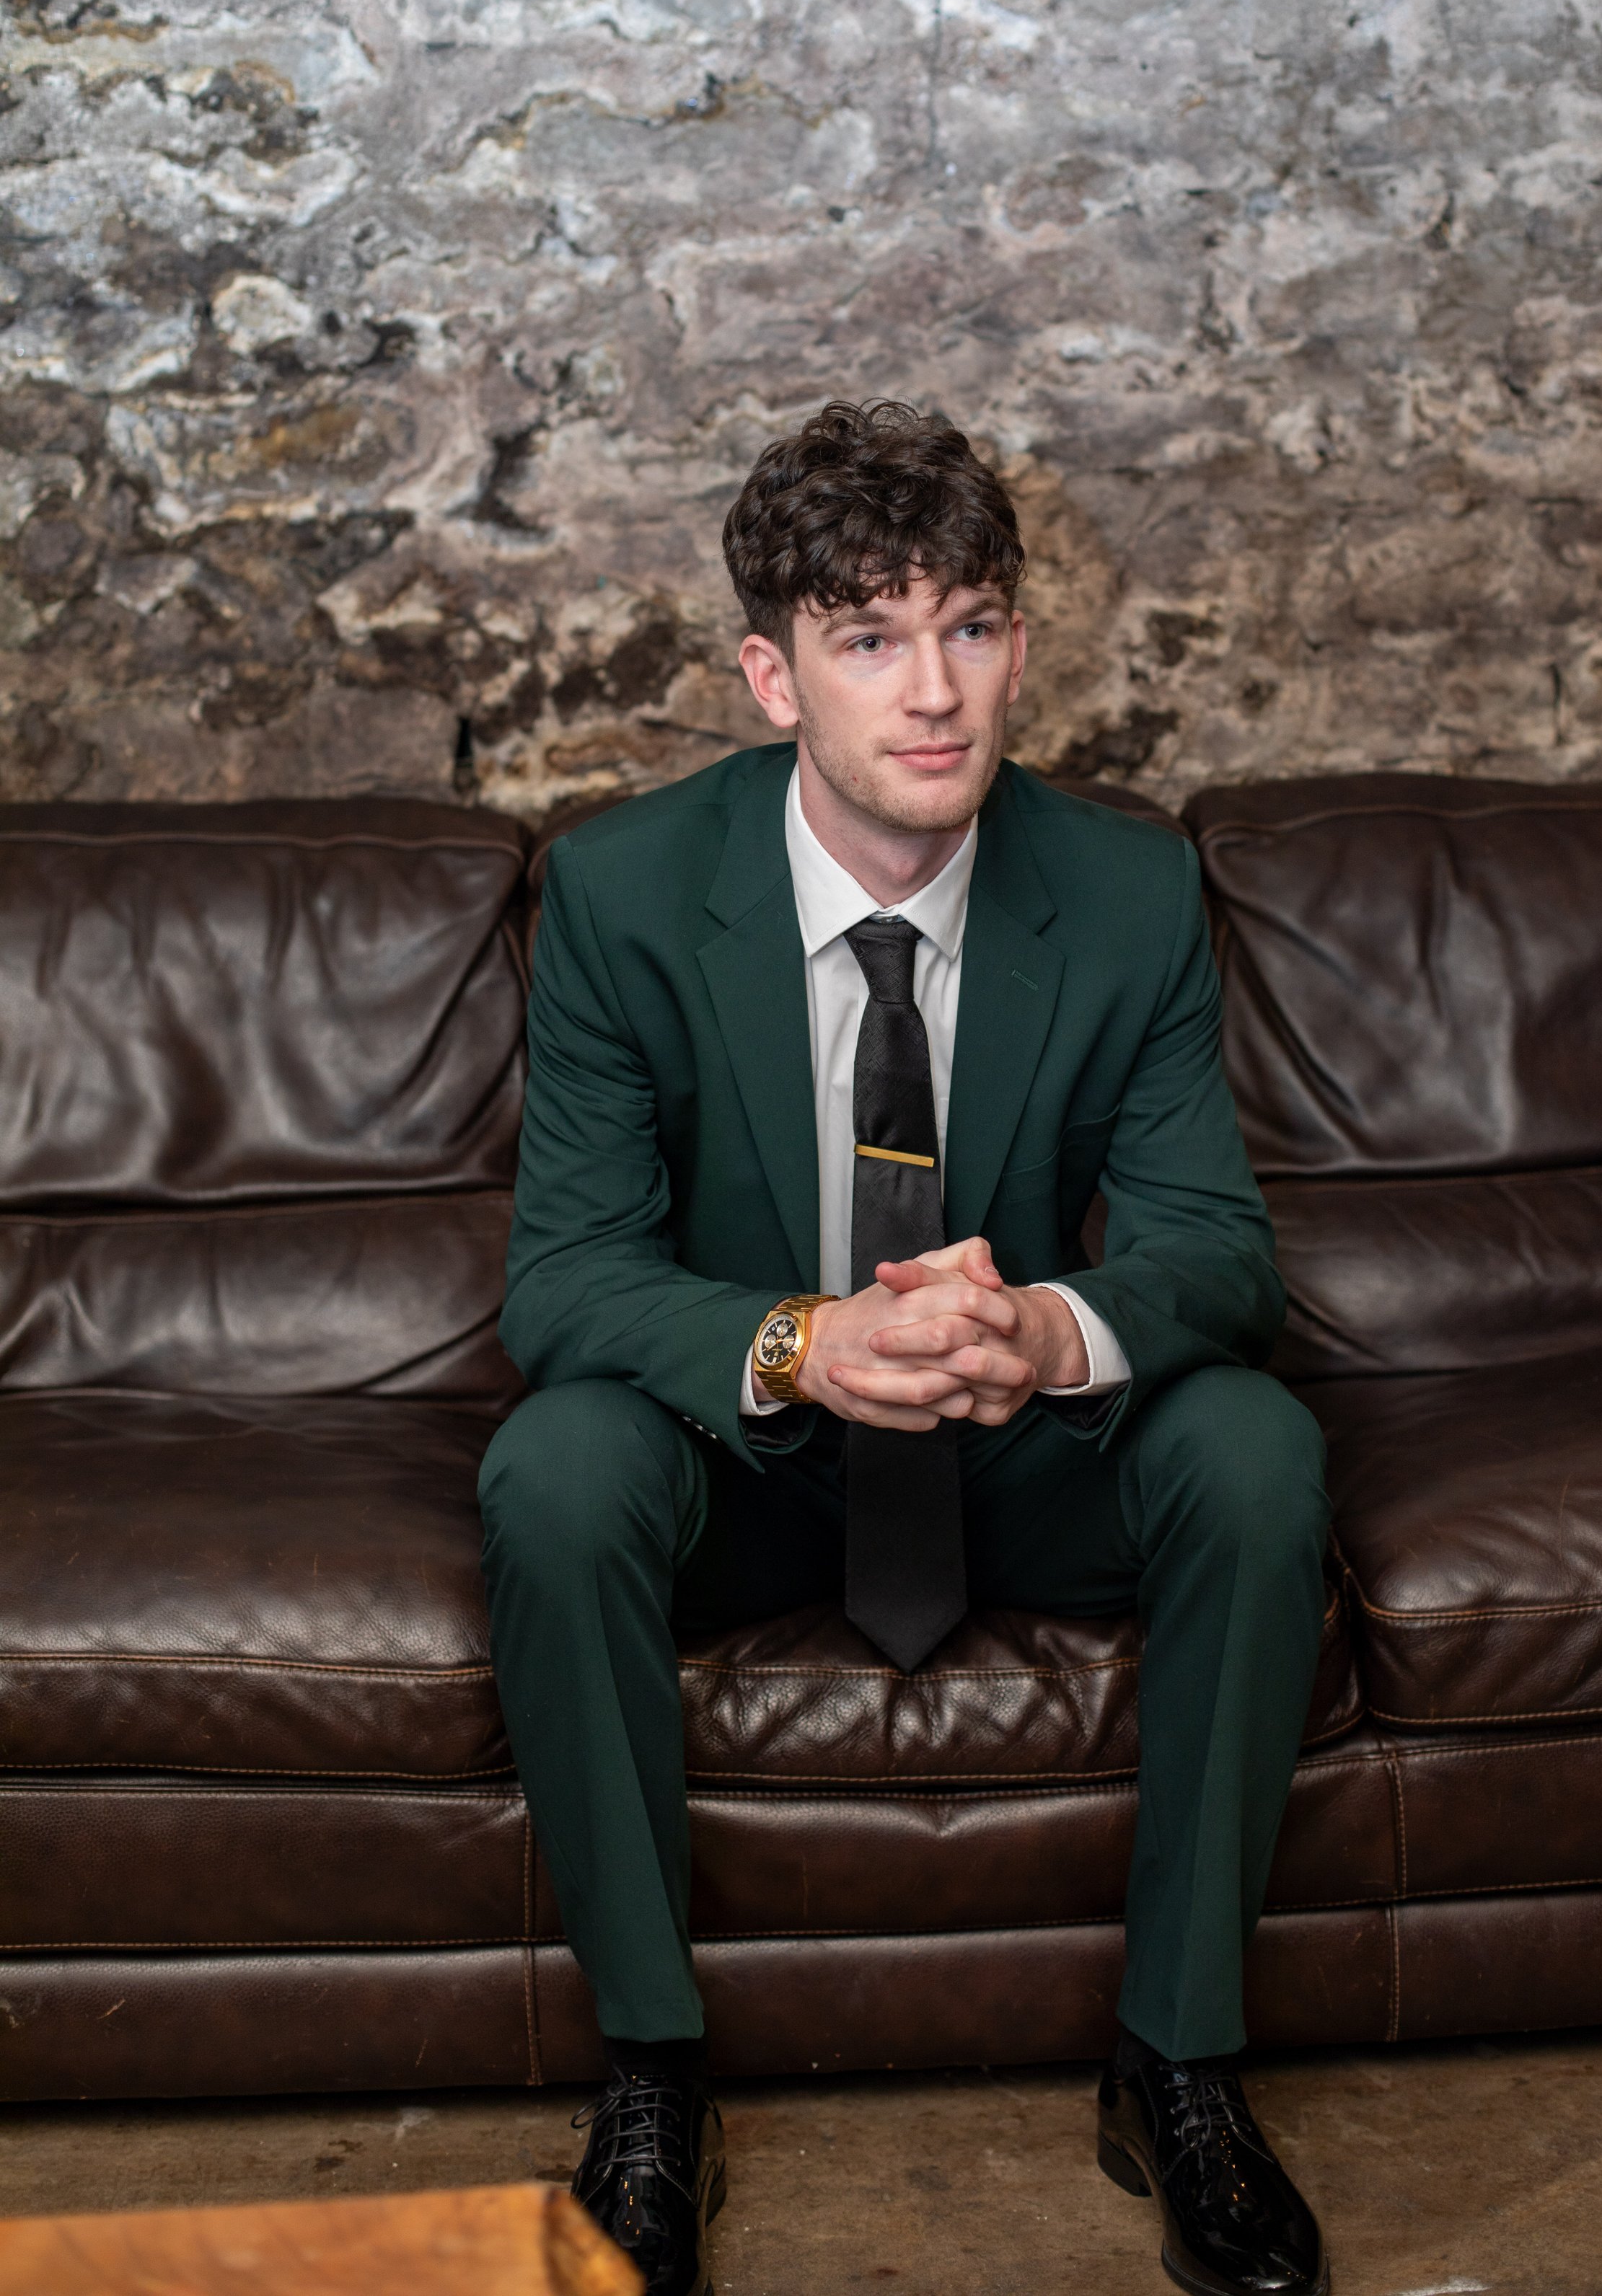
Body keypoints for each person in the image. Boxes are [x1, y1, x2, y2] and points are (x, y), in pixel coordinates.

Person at [480, 400, 1333, 2296]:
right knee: (549, 1471)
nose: (933, 690)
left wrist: (1041, 1326)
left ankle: (1178, 2070)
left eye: (970, 624)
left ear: (1021, 642)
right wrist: (795, 1341)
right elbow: (564, 1282)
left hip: (1010, 1450)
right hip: (758, 1471)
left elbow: (1215, 1256)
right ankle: (649, 2078)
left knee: (1254, 1450)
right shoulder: (624, 895)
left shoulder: (1123, 892)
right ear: (771, 674)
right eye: (870, 638)